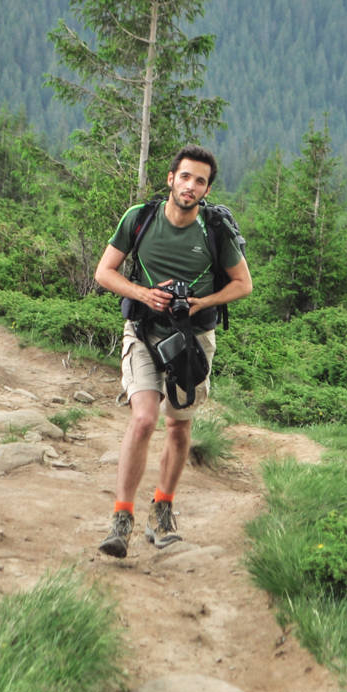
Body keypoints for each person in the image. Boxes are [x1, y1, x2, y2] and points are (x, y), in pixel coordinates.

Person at [92, 146, 252, 556]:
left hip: (193, 340)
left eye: (200, 181)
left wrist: (202, 303)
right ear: (170, 179)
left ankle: (161, 510)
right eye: (185, 177)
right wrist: (143, 294)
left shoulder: (214, 231)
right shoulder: (139, 218)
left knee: (179, 427)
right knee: (144, 418)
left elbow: (243, 284)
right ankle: (122, 518)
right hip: (144, 332)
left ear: (207, 189)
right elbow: (104, 272)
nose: (190, 186)